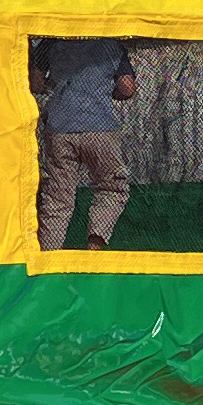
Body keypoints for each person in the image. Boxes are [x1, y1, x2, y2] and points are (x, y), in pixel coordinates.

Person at [36, 40, 136, 253]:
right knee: (111, 187)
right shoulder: (111, 43)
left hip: (59, 128)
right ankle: (94, 247)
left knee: (57, 198)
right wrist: (108, 91)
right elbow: (127, 88)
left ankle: (49, 258)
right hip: (100, 129)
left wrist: (54, 88)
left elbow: (34, 82)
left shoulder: (51, 41)